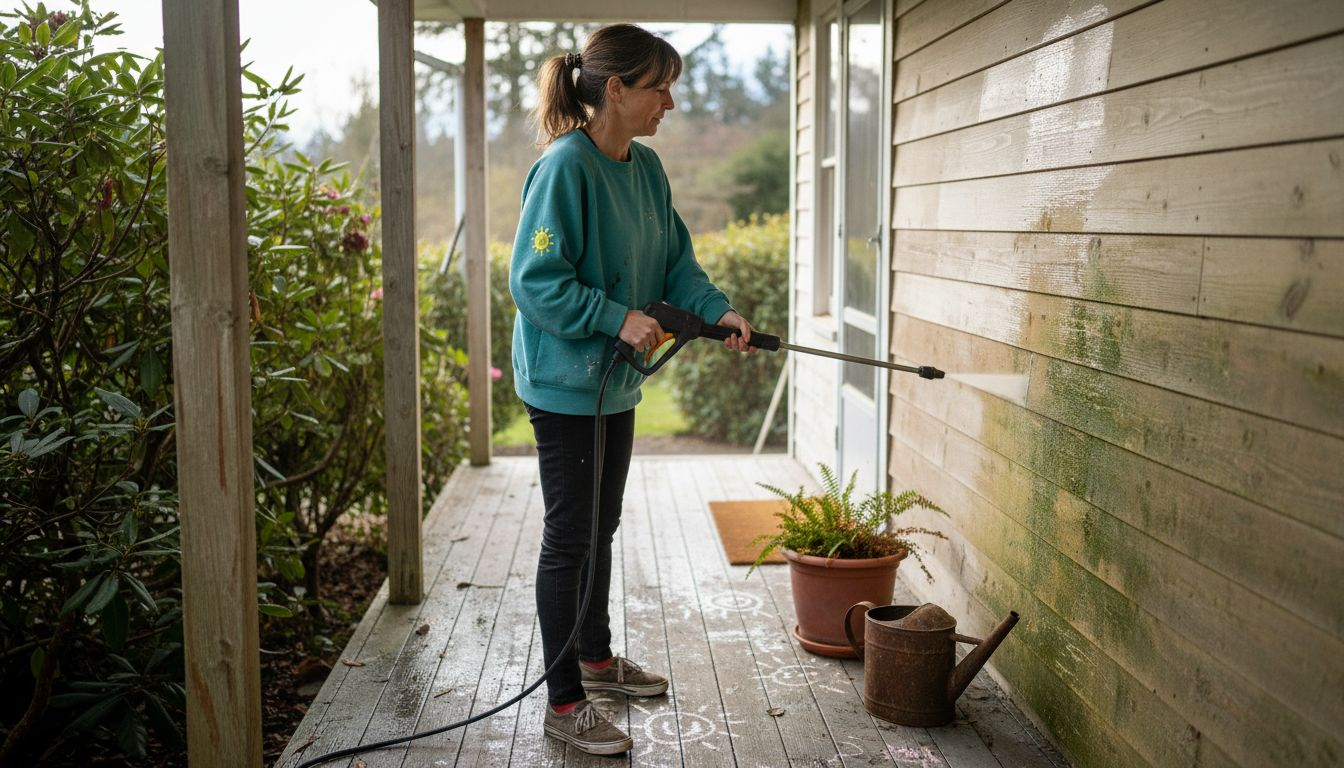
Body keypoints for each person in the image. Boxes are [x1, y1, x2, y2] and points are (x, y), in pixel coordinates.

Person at [508, 23, 756, 756]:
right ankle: (563, 703)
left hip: (613, 384)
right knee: (570, 537)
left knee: (601, 526)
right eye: (659, 88)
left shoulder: (645, 168)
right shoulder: (564, 168)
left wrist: (716, 310)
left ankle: (595, 660)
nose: (669, 103)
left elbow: (676, 262)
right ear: (615, 89)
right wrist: (614, 317)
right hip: (563, 384)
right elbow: (534, 281)